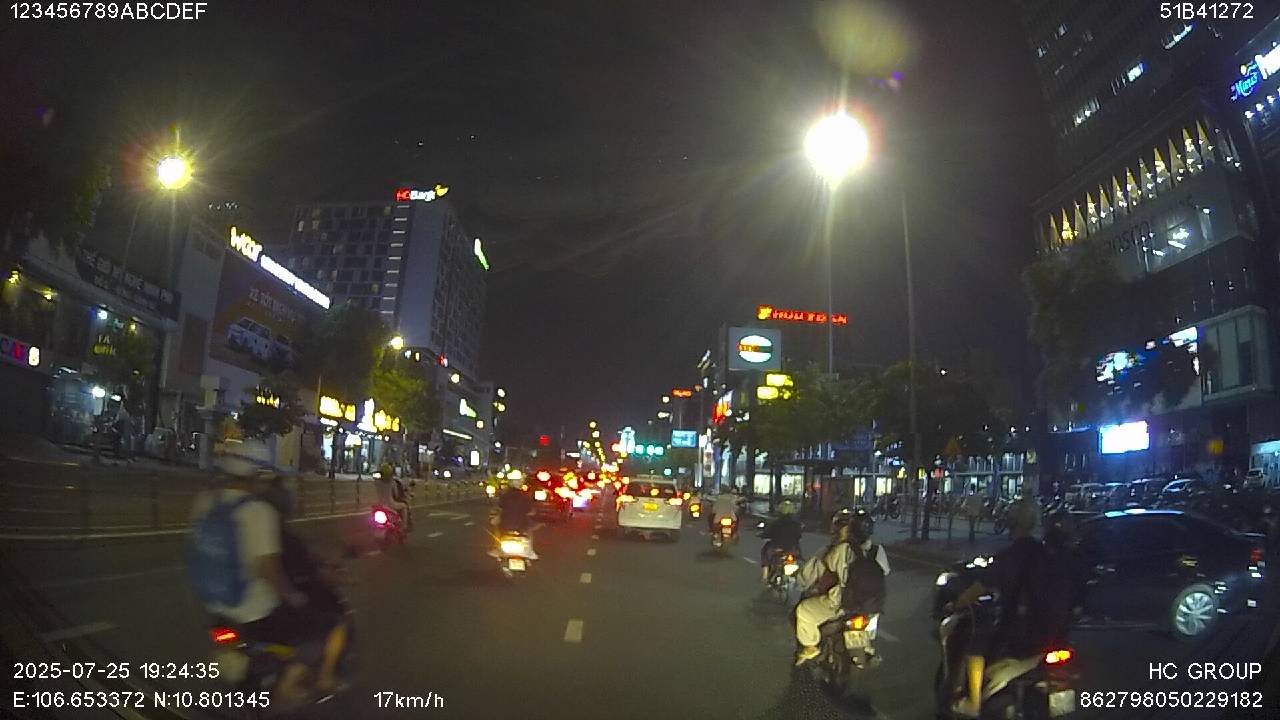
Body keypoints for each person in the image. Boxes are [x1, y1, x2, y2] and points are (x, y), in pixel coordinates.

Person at [188, 469, 346, 706]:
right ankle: (320, 680)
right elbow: (272, 571)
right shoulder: (264, 519)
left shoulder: (212, 504)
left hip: (216, 605)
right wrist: (293, 597)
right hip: (255, 614)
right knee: (329, 625)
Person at [945, 498, 1060, 718]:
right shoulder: (1046, 554)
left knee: (976, 646)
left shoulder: (1009, 557)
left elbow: (979, 587)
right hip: (1050, 629)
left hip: (1019, 631)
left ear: (1011, 524)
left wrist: (957, 604)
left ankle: (973, 703)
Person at [794, 509, 890, 666]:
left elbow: (824, 568)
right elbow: (885, 571)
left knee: (803, 611)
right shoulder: (878, 550)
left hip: (841, 604)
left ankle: (810, 646)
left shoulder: (840, 549)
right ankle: (866, 647)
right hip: (872, 605)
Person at [760, 500, 804, 582]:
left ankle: (765, 575)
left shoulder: (776, 523)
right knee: (799, 559)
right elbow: (799, 536)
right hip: (792, 549)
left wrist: (762, 535)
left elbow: (767, 533)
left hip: (776, 548)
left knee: (765, 552)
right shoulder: (796, 524)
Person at [374, 462, 411, 530]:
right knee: (404, 506)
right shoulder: (392, 482)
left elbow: (375, 475)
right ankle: (404, 525)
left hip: (379, 504)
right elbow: (396, 495)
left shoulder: (377, 481)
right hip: (390, 505)